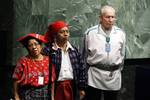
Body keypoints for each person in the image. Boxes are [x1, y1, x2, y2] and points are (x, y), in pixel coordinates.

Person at [83, 5, 126, 100]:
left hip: (113, 75)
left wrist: (116, 69)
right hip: (95, 75)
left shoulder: (121, 34)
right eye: (107, 17)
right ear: (100, 18)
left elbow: (122, 55)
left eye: (113, 17)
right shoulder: (90, 33)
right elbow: (85, 55)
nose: (110, 20)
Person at [43, 20, 86, 100]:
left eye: (67, 31)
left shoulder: (74, 50)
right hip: (55, 87)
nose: (66, 34)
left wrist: (82, 87)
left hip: (72, 86)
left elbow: (81, 69)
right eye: (62, 32)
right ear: (55, 35)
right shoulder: (49, 51)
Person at [12, 33, 55, 100]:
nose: (34, 47)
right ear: (28, 48)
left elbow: (52, 81)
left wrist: (52, 97)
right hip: (28, 95)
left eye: (36, 44)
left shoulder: (48, 60)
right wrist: (16, 96)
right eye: (30, 45)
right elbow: (16, 80)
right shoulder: (23, 61)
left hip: (45, 94)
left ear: (41, 45)